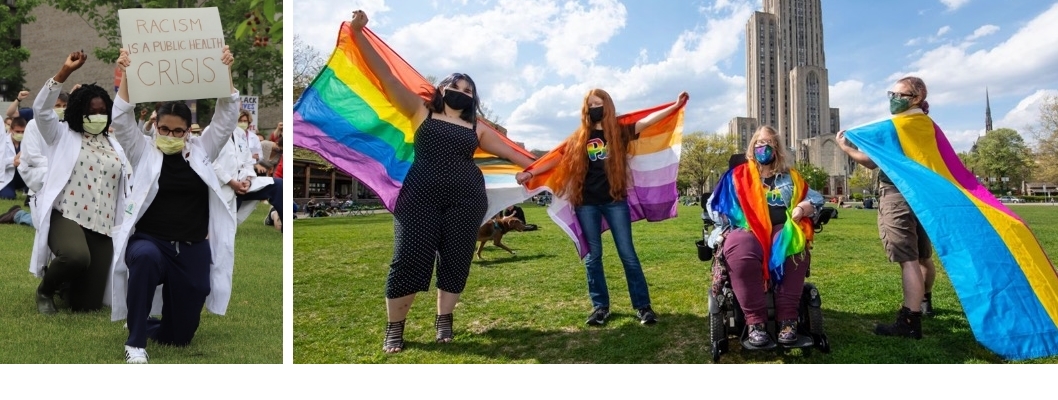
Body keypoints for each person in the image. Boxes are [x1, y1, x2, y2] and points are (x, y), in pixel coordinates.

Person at [348, 10, 536, 353]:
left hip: (467, 199)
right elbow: (387, 76)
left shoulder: (478, 129)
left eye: (468, 89)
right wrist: (360, 34)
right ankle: (395, 327)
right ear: (442, 89)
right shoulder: (421, 111)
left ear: (473, 98)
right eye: (455, 86)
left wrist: (539, 168)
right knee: (408, 258)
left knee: (456, 258)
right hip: (419, 196)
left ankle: (444, 320)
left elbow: (518, 156)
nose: (461, 91)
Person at [515, 88, 688, 326]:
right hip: (586, 204)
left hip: (615, 202)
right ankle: (600, 308)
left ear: (607, 106)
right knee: (593, 257)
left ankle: (643, 307)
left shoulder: (618, 132)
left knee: (628, 255)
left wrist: (674, 106)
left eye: (599, 103)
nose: (594, 107)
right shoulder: (579, 137)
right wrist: (531, 172)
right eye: (591, 104)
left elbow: (646, 122)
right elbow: (557, 157)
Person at [111, 45, 240, 363]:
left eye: (178, 130)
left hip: (192, 246)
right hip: (150, 241)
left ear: (189, 130)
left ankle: (148, 320)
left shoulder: (201, 150)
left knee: (180, 336)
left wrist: (225, 71)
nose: (170, 134)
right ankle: (135, 342)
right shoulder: (143, 151)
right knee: (144, 259)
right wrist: (127, 72)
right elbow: (123, 118)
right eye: (164, 129)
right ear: (155, 126)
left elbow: (226, 118)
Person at [837, 76, 938, 339]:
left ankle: (909, 320)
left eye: (899, 95)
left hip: (899, 195)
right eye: (890, 94)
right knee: (924, 255)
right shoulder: (927, 125)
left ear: (915, 98)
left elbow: (870, 161)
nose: (893, 99)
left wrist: (845, 147)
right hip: (923, 198)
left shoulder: (897, 127)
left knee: (908, 259)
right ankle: (925, 301)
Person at [28, 51, 128, 317]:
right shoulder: (61, 135)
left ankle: (65, 282)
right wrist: (64, 72)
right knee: (75, 256)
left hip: (102, 224)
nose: (97, 116)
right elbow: (41, 109)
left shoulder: (115, 145)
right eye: (90, 112)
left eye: (102, 112)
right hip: (67, 214)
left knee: (86, 305)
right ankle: (45, 290)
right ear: (78, 112)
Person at [706, 126, 824, 346]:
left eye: (768, 143)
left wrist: (804, 207)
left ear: (777, 148)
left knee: (793, 245)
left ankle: (788, 322)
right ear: (752, 147)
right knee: (740, 247)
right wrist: (733, 220)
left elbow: (817, 199)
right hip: (747, 230)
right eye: (759, 143)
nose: (763, 147)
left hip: (782, 228)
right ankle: (755, 323)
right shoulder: (737, 176)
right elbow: (713, 205)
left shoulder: (791, 177)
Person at [1, 117, 28, 200]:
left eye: (22, 132)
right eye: (17, 131)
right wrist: (13, 161)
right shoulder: (3, 141)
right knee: (8, 196)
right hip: (8, 176)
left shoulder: (29, 142)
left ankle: (25, 190)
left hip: (24, 176)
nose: (20, 134)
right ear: (11, 130)